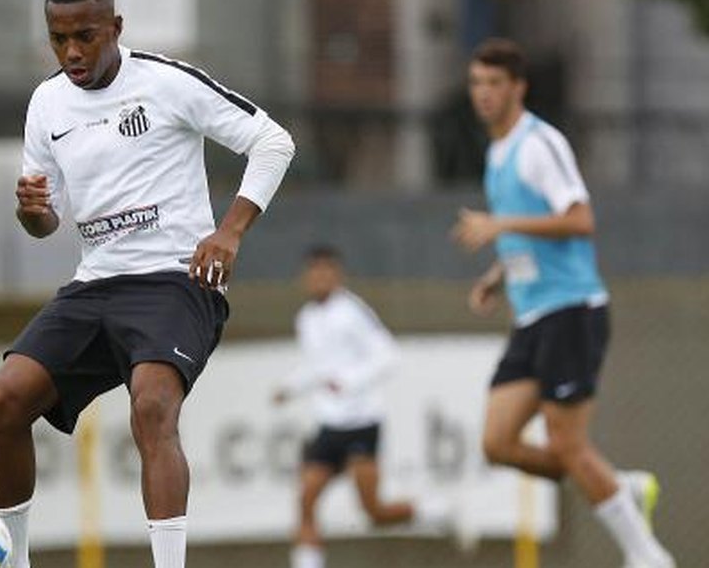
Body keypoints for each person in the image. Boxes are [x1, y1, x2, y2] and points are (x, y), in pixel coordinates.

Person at [0, 0, 295, 568]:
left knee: (151, 406)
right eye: (58, 38)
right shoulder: (47, 102)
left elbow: (273, 142)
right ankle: (12, 560)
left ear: (116, 28)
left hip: (174, 281)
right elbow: (48, 222)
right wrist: (34, 213)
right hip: (95, 283)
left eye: (86, 36)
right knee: (3, 399)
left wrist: (229, 232)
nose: (72, 51)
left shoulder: (167, 82)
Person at [452, 38, 675, 568]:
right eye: (476, 84)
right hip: (532, 317)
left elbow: (579, 219)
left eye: (494, 84)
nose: (483, 94)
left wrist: (498, 226)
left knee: (568, 443)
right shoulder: (496, 152)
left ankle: (647, 555)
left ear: (517, 88)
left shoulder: (538, 143)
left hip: (573, 309)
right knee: (498, 442)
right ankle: (618, 486)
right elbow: (530, 231)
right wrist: (498, 275)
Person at [273, 246, 451, 568]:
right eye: (315, 272)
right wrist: (289, 388)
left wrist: (350, 381)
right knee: (306, 499)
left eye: (327, 271)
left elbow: (389, 355)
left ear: (338, 275)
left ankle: (432, 510)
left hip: (361, 422)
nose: (320, 279)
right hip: (329, 424)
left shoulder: (352, 311)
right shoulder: (307, 318)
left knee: (372, 511)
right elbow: (317, 366)